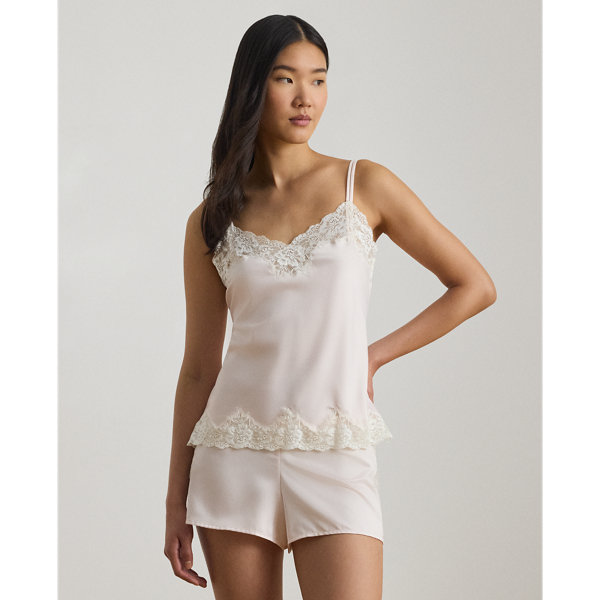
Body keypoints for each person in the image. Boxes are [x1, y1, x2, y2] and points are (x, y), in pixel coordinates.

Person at [164, 14, 496, 600]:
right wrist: (175, 502)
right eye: (286, 78)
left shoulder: (364, 184)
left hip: (335, 450)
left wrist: (374, 356)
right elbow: (197, 369)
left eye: (318, 79)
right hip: (233, 454)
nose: (306, 97)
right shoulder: (212, 219)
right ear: (252, 86)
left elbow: (474, 285)